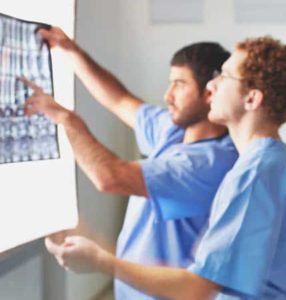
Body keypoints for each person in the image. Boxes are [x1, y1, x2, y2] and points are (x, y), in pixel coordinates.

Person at [44, 36, 286, 299]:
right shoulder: (277, 164)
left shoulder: (253, 173)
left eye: (224, 77)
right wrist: (69, 49)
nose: (211, 86)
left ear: (252, 99)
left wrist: (100, 261)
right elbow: (120, 101)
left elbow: (196, 287)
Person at [26, 27, 238, 299]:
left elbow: (109, 177)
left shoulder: (211, 162)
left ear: (210, 93)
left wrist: (66, 119)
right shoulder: (174, 131)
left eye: (180, 85)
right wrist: (70, 50)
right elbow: (120, 99)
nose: (168, 95)